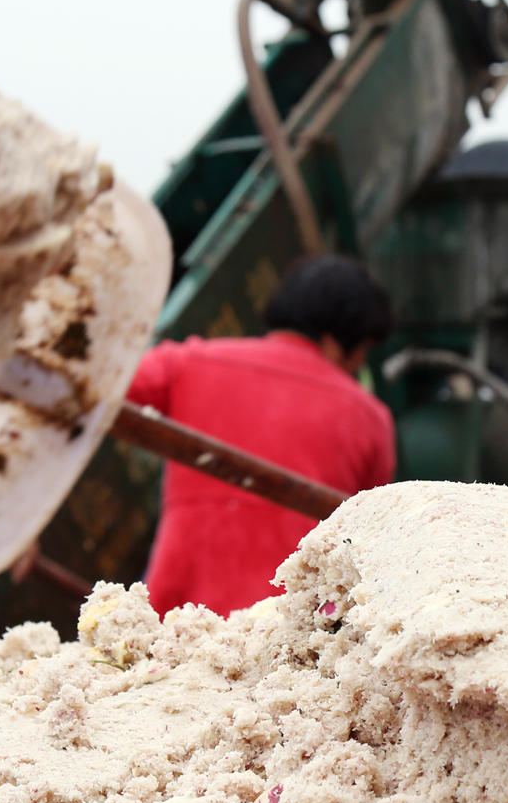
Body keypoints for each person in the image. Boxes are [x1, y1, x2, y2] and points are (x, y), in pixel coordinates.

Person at [126, 254, 396, 617]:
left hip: (175, 619)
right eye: (360, 353)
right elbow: (368, 539)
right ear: (335, 341)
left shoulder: (189, 363)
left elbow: (89, 394)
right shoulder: (370, 418)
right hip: (288, 634)